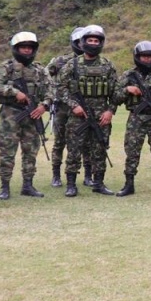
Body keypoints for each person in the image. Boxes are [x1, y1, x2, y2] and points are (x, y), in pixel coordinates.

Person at [57, 24, 118, 197]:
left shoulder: (108, 66)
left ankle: (98, 183)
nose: (93, 43)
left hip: (101, 116)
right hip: (78, 116)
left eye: (96, 40)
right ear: (83, 42)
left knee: (100, 148)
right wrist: (73, 105)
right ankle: (71, 184)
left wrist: (110, 111)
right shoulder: (72, 65)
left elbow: (116, 91)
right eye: (90, 40)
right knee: (74, 150)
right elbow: (60, 88)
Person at [0, 31, 53, 200]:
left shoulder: (40, 70)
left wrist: (44, 105)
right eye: (23, 47)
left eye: (29, 48)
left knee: (31, 151)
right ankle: (5, 187)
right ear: (16, 49)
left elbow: (51, 90)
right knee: (7, 151)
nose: (26, 51)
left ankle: (28, 185)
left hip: (33, 115)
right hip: (11, 114)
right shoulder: (7, 67)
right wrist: (13, 92)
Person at [115, 41, 151, 197]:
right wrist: (127, 89)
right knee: (132, 152)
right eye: (143, 56)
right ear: (137, 57)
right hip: (136, 119)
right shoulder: (128, 75)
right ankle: (129, 184)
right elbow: (115, 97)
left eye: (149, 57)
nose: (147, 60)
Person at [46, 26, 83, 187]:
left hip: (81, 107)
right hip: (62, 107)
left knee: (84, 142)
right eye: (78, 42)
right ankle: (56, 175)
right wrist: (52, 94)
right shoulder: (60, 61)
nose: (82, 45)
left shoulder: (94, 62)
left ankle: (88, 174)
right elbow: (45, 76)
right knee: (59, 142)